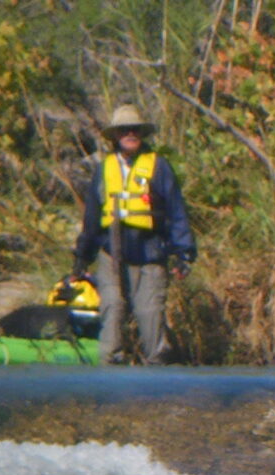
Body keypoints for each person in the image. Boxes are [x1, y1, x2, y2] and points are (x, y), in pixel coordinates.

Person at [73, 106, 195, 365]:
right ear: (115, 136)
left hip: (150, 251)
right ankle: (110, 369)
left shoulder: (159, 167)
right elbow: (93, 218)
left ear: (142, 133)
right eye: (124, 130)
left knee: (149, 313)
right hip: (111, 253)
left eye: (135, 129)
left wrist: (183, 252)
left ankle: (156, 373)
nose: (130, 133)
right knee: (113, 307)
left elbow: (176, 211)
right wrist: (82, 256)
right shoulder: (104, 170)